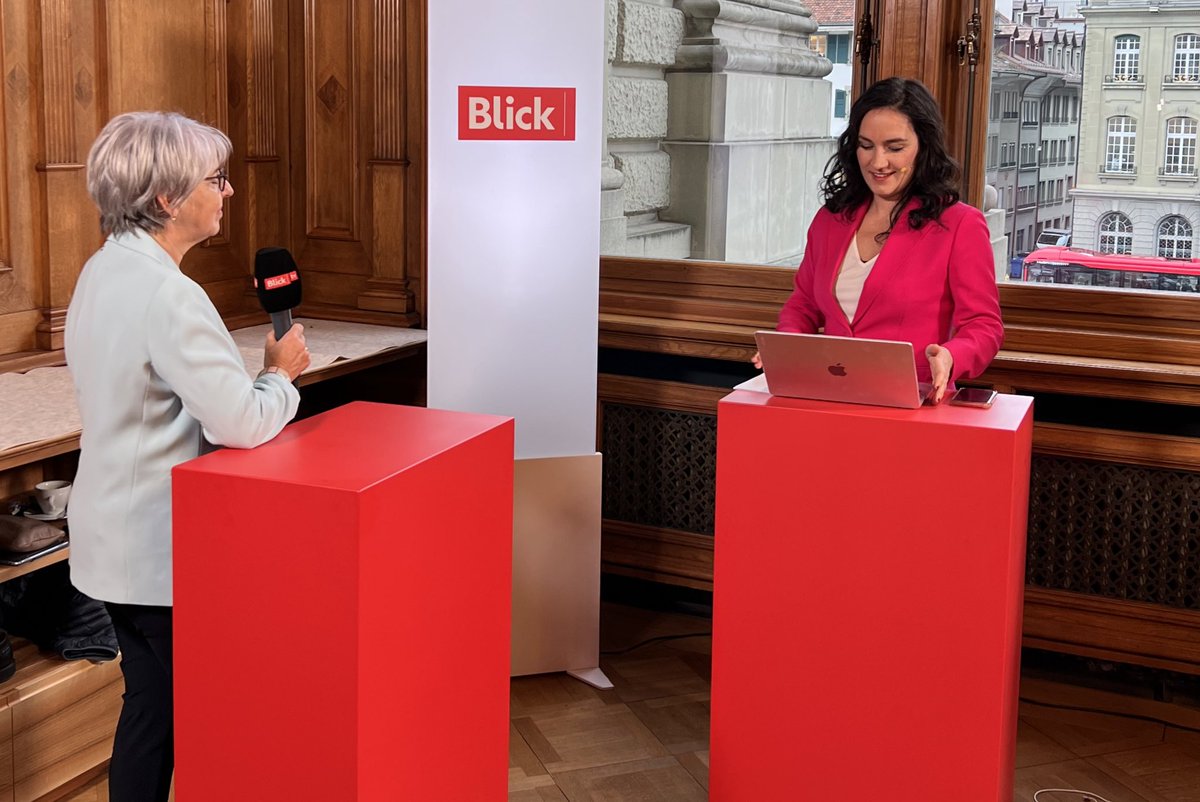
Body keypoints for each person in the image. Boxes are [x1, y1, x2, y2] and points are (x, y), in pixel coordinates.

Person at [65, 111, 311, 801]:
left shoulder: (101, 270)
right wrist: (280, 374)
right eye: (217, 179)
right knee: (181, 718)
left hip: (109, 537)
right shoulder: (171, 295)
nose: (228, 192)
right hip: (157, 552)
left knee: (149, 711)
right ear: (169, 199)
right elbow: (240, 422)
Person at [756, 77, 1003, 403]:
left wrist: (951, 356)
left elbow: (984, 326)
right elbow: (804, 305)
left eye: (895, 148)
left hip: (916, 407)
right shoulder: (830, 220)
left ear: (923, 147)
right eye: (866, 146)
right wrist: (784, 347)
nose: (878, 162)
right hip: (828, 401)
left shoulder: (960, 225)